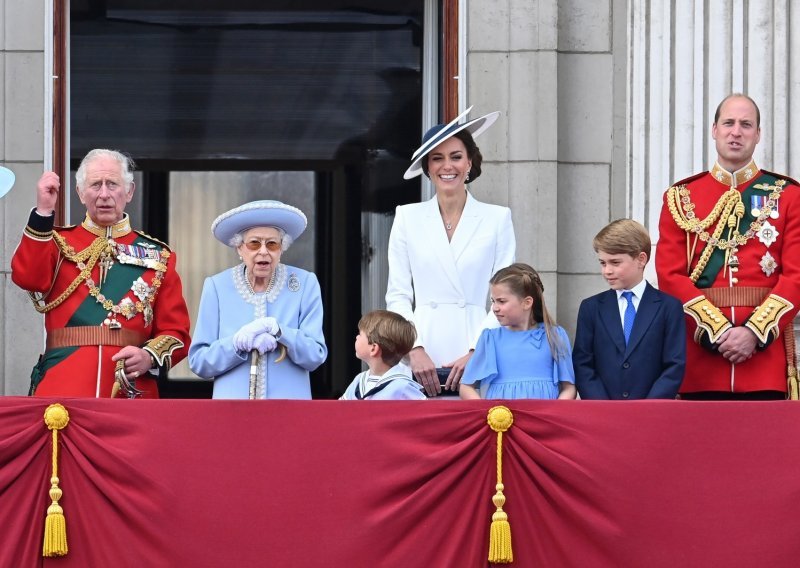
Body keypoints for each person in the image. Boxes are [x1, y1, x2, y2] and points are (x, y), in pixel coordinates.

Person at [11, 149, 191, 398]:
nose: (104, 194)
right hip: (63, 389)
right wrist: (43, 213)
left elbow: (176, 332)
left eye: (112, 184)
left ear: (129, 191)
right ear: (80, 193)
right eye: (95, 185)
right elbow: (27, 277)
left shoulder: (158, 256)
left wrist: (148, 357)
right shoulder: (58, 243)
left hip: (131, 393)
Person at [656, 93, 800, 400]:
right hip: (701, 362)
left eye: (746, 125)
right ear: (714, 130)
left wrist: (753, 333)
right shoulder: (681, 198)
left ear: (758, 134)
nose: (736, 132)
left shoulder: (787, 195)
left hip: (764, 362)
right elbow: (670, 276)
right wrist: (718, 331)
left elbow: (795, 277)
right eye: (729, 123)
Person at [386, 106, 516, 397]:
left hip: (477, 345)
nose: (448, 166)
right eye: (437, 159)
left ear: (470, 162)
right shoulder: (407, 217)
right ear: (427, 167)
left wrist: (477, 352)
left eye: (456, 157)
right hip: (420, 351)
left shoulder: (497, 218)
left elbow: (507, 297)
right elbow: (397, 295)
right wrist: (414, 348)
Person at [189, 200, 327, 399]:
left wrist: (281, 332)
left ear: (281, 249)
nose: (264, 251)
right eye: (254, 243)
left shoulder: (305, 284)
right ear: (239, 248)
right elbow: (199, 362)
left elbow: (315, 355)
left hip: (290, 414)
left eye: (272, 244)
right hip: (232, 414)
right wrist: (235, 344)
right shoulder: (217, 287)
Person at [573, 219, 686, 399]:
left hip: (650, 413)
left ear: (641, 259)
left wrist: (647, 408)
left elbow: (674, 365)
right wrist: (603, 407)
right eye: (603, 263)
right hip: (603, 414)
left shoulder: (669, 307)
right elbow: (583, 363)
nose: (607, 271)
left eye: (615, 262)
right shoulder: (591, 308)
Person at [459, 263, 576, 400]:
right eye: (493, 301)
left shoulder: (555, 336)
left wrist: (553, 413)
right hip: (502, 418)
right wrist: (487, 413)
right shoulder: (490, 338)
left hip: (543, 418)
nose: (494, 308)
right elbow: (466, 386)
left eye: (501, 301)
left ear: (527, 303)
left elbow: (569, 388)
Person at [340, 310, 425, 400]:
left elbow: (424, 410)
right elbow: (339, 410)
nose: (357, 337)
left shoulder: (403, 386)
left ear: (373, 349)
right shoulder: (358, 381)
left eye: (360, 334)